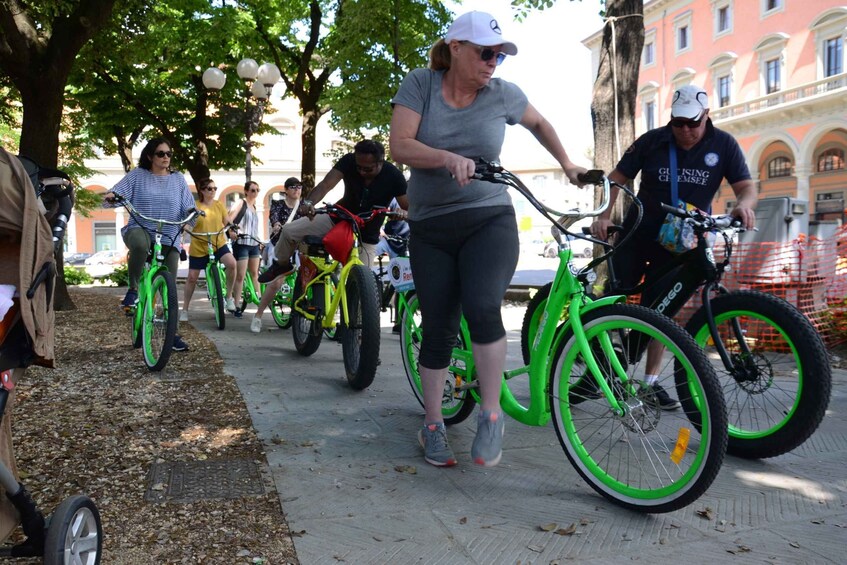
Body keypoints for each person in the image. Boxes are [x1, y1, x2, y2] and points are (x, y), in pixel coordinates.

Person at [389, 11, 587, 468]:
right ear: (456, 47)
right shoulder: (420, 83)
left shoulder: (504, 94)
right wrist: (446, 157)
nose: (494, 61)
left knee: (481, 305)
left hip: (488, 217)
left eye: (499, 54)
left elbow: (539, 124)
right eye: (486, 52)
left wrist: (568, 164)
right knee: (438, 324)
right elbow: (400, 145)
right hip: (431, 227)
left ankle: (492, 412)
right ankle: (434, 424)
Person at [589, 84, 757, 410]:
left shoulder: (723, 145)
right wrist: (604, 216)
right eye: (678, 123)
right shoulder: (653, 140)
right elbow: (616, 179)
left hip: (685, 241)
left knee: (662, 312)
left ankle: (650, 383)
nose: (685, 130)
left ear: (706, 115)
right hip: (638, 234)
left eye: (692, 123)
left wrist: (744, 205)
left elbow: (746, 187)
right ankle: (598, 363)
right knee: (609, 298)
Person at [258, 140, 408, 284]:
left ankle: (354, 306)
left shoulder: (394, 176)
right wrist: (309, 203)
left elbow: (408, 206)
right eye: (359, 167)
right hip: (339, 217)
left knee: (364, 282)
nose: (362, 172)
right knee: (289, 231)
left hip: (369, 231)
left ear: (381, 161)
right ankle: (282, 265)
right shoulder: (348, 161)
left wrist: (402, 212)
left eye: (368, 169)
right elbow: (325, 185)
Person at [104, 137, 194, 352]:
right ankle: (134, 289)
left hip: (169, 233)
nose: (165, 158)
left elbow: (188, 206)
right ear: (150, 156)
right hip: (140, 228)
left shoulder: (178, 179)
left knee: (169, 288)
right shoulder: (138, 175)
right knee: (141, 246)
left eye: (168, 154)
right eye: (160, 154)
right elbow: (116, 193)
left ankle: (170, 334)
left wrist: (192, 215)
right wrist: (111, 196)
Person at [250, 177, 305, 333]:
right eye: (293, 187)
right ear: (286, 190)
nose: (297, 189)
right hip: (280, 245)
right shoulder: (278, 204)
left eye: (299, 187)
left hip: (300, 246)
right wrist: (276, 224)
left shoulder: (304, 206)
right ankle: (258, 316)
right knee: (276, 283)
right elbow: (274, 217)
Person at [181, 178, 237, 321]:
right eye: (209, 189)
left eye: (214, 188)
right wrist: (183, 232)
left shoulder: (219, 205)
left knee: (232, 264)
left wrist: (232, 230)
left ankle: (229, 297)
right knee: (192, 277)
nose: (213, 191)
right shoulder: (196, 206)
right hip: (199, 245)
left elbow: (227, 222)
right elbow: (189, 224)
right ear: (202, 191)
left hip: (218, 243)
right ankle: (185, 309)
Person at [373, 197, 409, 334]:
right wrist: (380, 229)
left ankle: (400, 321)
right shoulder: (394, 199)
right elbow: (380, 212)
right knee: (369, 251)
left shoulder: (419, 199)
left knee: (405, 280)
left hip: (405, 243)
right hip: (388, 240)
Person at [228, 180, 262, 318]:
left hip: (253, 244)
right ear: (246, 191)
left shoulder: (254, 207)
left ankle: (260, 299)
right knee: (240, 275)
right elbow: (229, 218)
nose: (255, 193)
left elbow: (253, 227)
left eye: (257, 190)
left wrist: (258, 239)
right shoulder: (241, 203)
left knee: (254, 273)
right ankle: (236, 305)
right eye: (253, 190)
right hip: (241, 243)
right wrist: (232, 231)